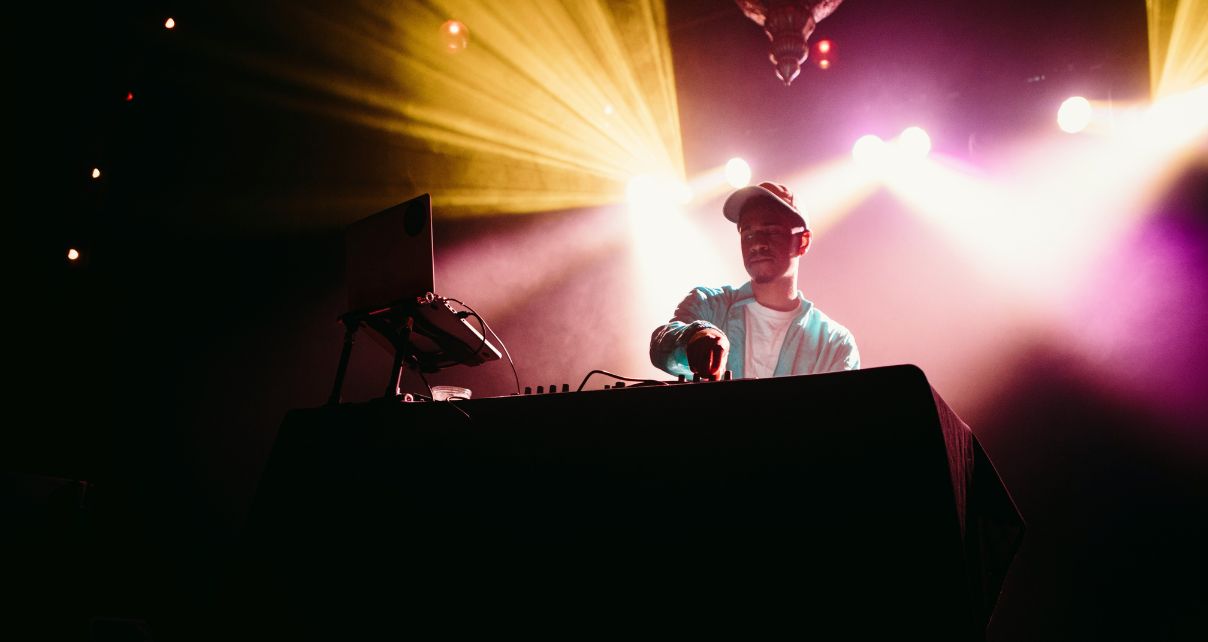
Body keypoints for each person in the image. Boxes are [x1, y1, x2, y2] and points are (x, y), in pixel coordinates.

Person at [650, 181, 859, 380]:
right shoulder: (709, 304)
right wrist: (696, 336)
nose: (758, 244)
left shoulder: (834, 343)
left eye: (772, 231)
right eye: (748, 233)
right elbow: (662, 347)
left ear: (802, 241)